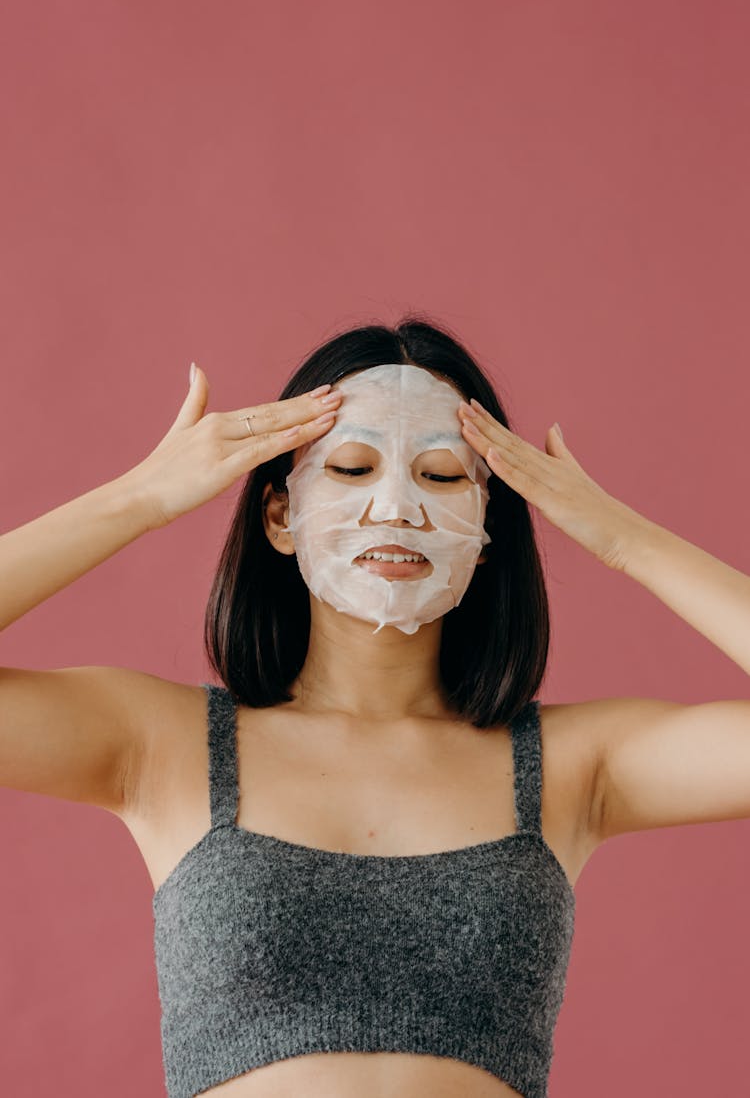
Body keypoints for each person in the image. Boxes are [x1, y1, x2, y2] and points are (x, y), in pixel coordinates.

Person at [2, 317, 749, 1098]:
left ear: (487, 532)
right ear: (279, 517)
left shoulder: (574, 766)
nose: (395, 507)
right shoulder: (161, 745)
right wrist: (140, 498)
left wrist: (625, 539)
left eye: (441, 476)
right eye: (353, 467)